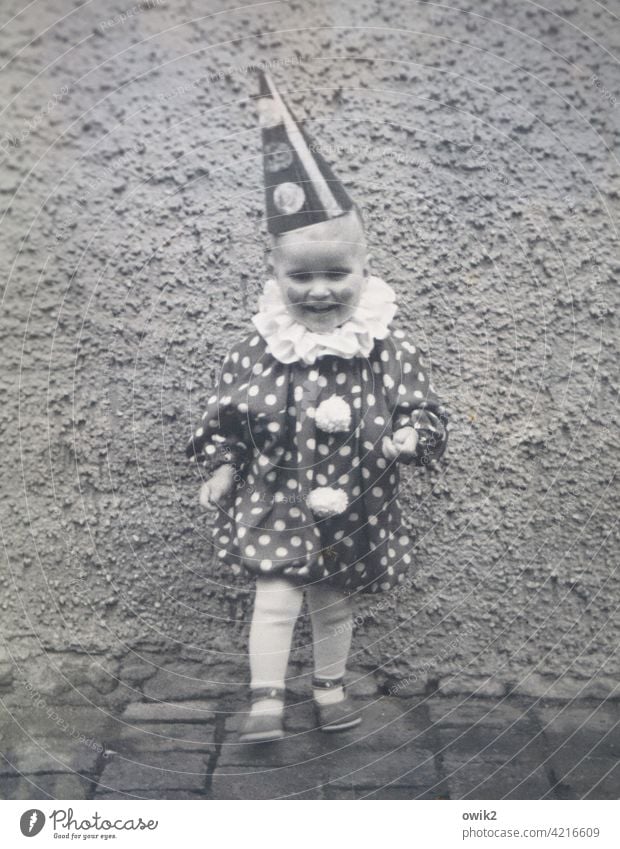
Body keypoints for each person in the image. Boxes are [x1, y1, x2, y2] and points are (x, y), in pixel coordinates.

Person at [186, 72, 449, 742]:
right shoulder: (259, 346)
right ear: (275, 272)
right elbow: (230, 414)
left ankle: (329, 688)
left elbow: (419, 405)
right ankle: (266, 702)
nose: (321, 290)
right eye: (301, 276)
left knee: (334, 605)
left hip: (358, 498)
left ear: (364, 269)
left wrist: (413, 437)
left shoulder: (385, 346)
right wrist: (221, 466)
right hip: (277, 498)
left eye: (338, 274)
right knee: (274, 601)